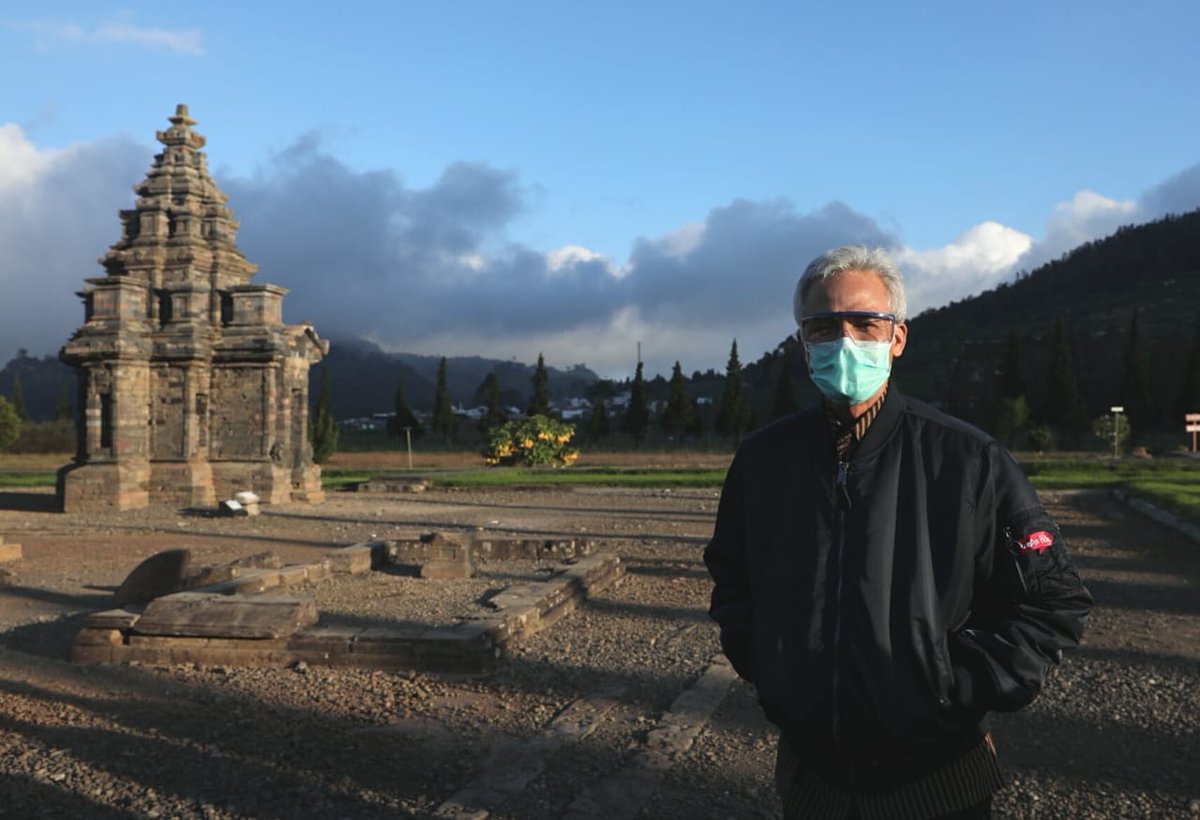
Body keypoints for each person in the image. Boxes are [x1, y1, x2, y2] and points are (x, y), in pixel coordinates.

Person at [704, 245, 1092, 819]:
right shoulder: (764, 462)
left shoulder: (969, 459)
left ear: (898, 338)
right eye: (824, 326)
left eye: (866, 323)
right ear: (802, 342)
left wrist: (952, 688)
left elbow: (1052, 600)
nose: (846, 341)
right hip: (814, 781)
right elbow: (733, 579)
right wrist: (771, 668)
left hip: (939, 782)